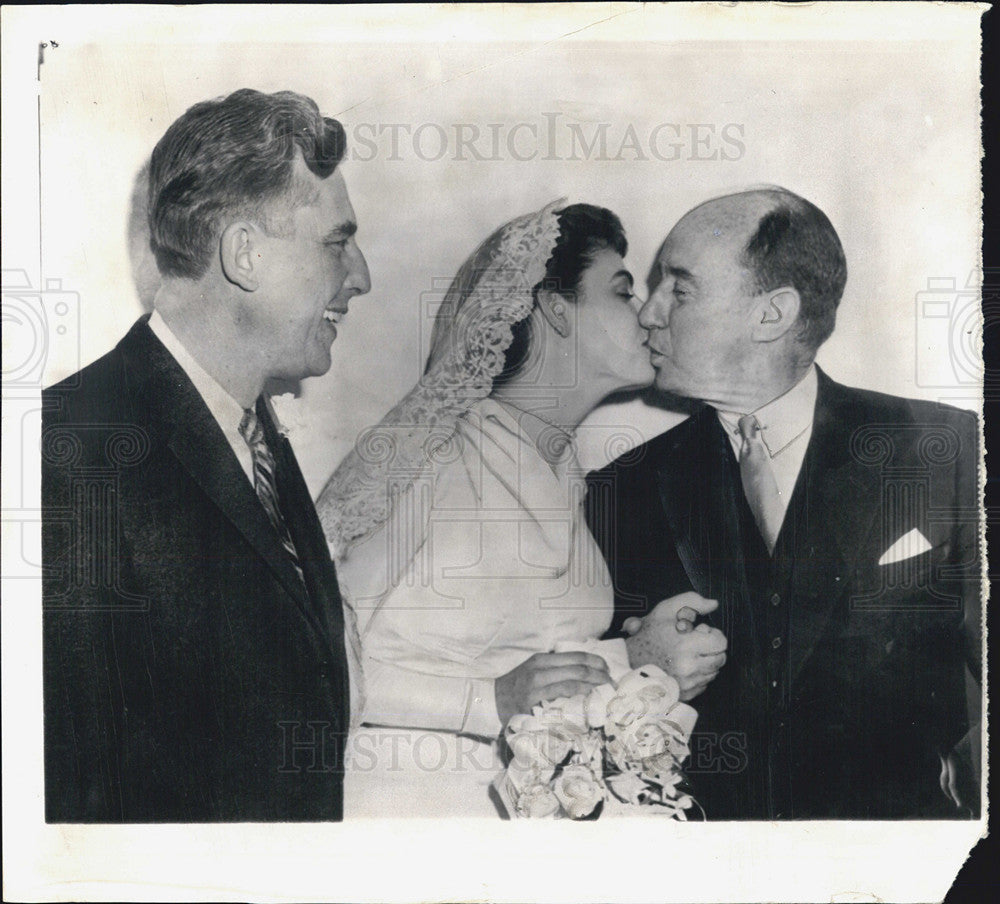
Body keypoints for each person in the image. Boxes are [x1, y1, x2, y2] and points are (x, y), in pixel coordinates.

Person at [317, 201, 727, 816]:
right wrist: (488, 703)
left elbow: (534, 673)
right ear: (555, 310)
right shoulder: (429, 454)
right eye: (621, 292)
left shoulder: (575, 482)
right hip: (403, 813)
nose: (646, 313)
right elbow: (311, 662)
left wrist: (637, 661)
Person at [587, 187, 981, 820]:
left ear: (772, 314)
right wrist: (633, 667)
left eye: (679, 290)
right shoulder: (617, 490)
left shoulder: (948, 451)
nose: (649, 313)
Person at [42, 88, 371, 821]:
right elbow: (71, 805)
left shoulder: (256, 435)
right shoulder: (69, 452)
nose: (361, 277)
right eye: (335, 241)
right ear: (244, 254)